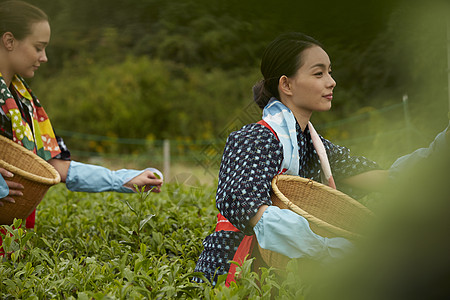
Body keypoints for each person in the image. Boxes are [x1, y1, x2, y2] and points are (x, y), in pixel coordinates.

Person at [193, 32, 389, 286]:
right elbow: (240, 200)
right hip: (234, 274)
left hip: (281, 276)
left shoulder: (316, 146)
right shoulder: (255, 138)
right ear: (286, 85)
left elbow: (385, 179)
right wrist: (325, 249)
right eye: (319, 74)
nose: (331, 82)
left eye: (330, 72)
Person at [0, 1, 163, 241]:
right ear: (9, 41)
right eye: (38, 47)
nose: (44, 57)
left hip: (12, 235)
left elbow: (54, 165)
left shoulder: (24, 102)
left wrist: (123, 179)